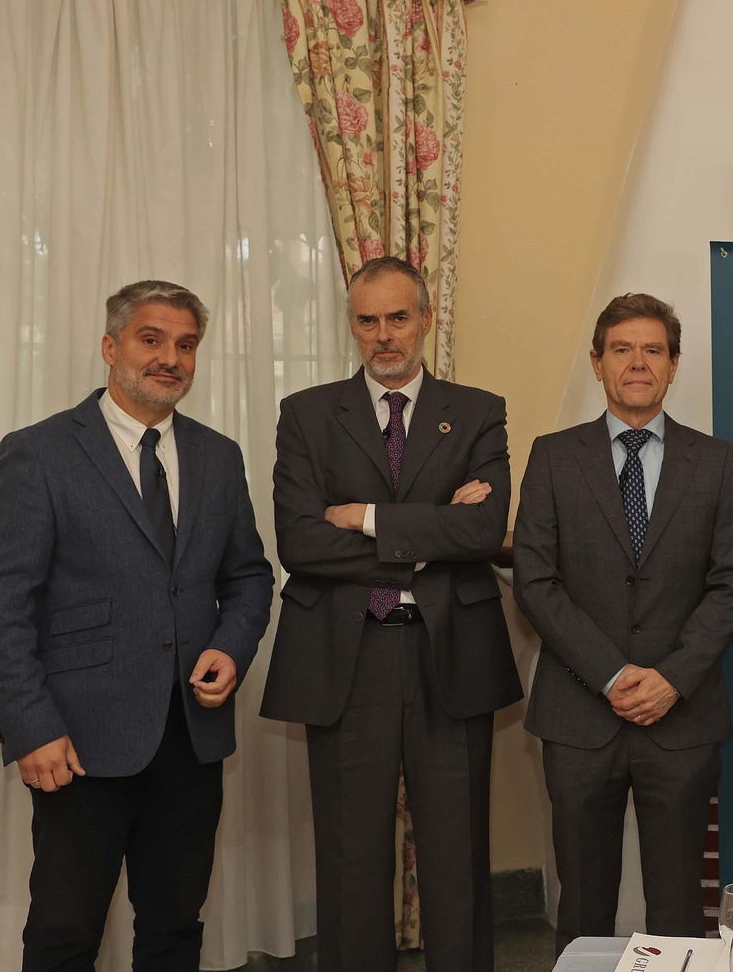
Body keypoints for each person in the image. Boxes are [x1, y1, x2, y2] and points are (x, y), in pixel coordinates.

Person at [0, 280, 274, 972]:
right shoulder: (39, 452)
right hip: (78, 739)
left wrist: (230, 647)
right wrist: (31, 725)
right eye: (151, 339)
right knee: (65, 930)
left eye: (186, 344)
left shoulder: (218, 456)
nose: (171, 357)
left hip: (191, 737)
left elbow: (250, 576)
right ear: (111, 347)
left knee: (175, 926)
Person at [261, 256, 521, 972]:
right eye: (367, 320)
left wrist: (368, 518)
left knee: (457, 853)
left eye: (398, 317)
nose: (384, 335)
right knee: (351, 852)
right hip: (347, 657)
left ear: (426, 318)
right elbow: (302, 542)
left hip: (452, 653)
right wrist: (430, 532)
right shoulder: (307, 414)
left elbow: (484, 531)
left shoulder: (477, 410)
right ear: (353, 325)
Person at [513, 292, 733, 953]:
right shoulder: (553, 457)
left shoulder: (717, 461)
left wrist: (670, 678)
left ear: (674, 366)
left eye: (653, 349)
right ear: (597, 363)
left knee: (678, 904)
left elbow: (732, 581)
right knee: (582, 903)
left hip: (682, 716)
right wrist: (613, 673)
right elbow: (536, 580)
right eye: (622, 349)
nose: (637, 362)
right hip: (577, 713)